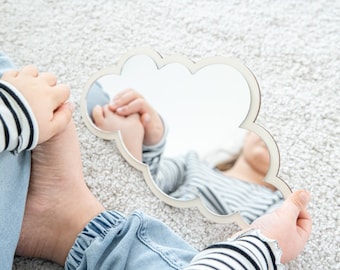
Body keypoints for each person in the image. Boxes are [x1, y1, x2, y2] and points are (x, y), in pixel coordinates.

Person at [0, 52, 311, 269]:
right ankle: (66, 221)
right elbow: (154, 179)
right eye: (255, 136)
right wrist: (148, 141)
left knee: (44, 89)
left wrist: (12, 112)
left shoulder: (273, 203)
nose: (260, 141)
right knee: (88, 98)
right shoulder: (195, 165)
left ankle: (57, 218)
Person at [91, 89, 284, 223]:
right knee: (96, 98)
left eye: (281, 139)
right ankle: (140, 144)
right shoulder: (192, 164)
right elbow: (153, 185)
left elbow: (267, 242)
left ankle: (132, 148)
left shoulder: (275, 202)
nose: (271, 138)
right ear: (248, 133)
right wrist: (153, 142)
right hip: (155, 219)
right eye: (266, 129)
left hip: (202, 254)